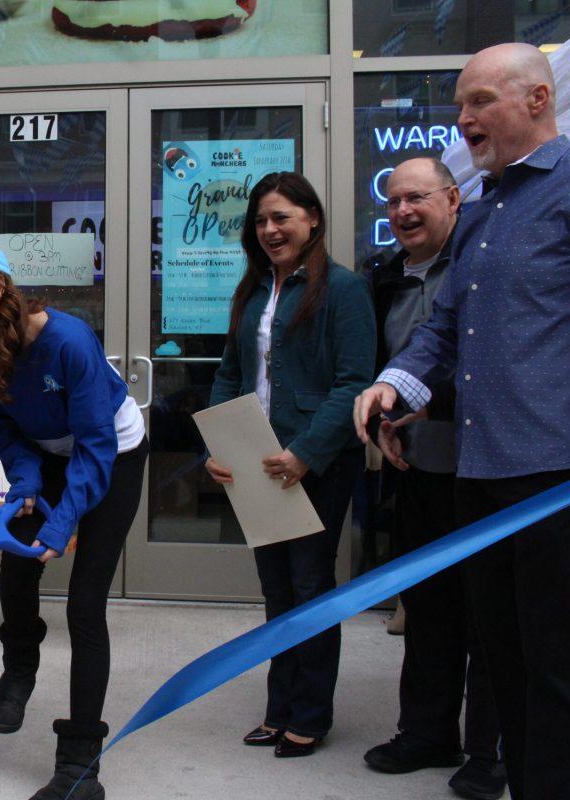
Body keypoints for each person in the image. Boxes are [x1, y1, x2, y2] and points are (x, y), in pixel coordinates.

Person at [353, 43, 570, 800]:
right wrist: (393, 388)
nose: (463, 117)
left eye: (478, 100)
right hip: (478, 481)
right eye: (460, 103)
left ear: (536, 100)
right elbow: (443, 332)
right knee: (505, 662)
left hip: (551, 483)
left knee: (554, 670)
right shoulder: (481, 213)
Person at [0, 239, 148, 800]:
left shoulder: (67, 341)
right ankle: (20, 668)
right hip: (48, 452)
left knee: (85, 603)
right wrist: (24, 485)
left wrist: (63, 520)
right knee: (16, 574)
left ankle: (80, 766)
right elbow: (10, 435)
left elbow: (94, 449)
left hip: (111, 454)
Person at [206, 172, 375, 758]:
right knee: (276, 588)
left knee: (311, 585)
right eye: (261, 221)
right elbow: (231, 372)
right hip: (257, 458)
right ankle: (279, 708)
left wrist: (306, 453)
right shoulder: (253, 290)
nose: (271, 230)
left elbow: (354, 381)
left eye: (282, 217)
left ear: (313, 220)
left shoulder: (345, 290)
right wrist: (219, 444)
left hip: (316, 462)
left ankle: (311, 713)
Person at [360, 157, 505, 799]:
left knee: (492, 616)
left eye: (416, 198)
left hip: (491, 470)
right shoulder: (387, 275)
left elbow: (483, 355)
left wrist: (427, 401)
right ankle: (426, 734)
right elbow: (387, 361)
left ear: (453, 198)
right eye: (392, 203)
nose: (402, 213)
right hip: (417, 468)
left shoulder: (478, 265)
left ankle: (489, 753)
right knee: (428, 607)